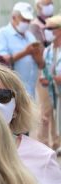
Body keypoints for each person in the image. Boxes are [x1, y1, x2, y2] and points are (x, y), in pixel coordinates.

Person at [0, 2, 45, 99]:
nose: (27, 23)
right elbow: (0, 61)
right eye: (24, 20)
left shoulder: (30, 36)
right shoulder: (2, 34)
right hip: (11, 91)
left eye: (28, 21)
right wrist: (25, 52)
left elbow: (41, 65)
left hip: (31, 91)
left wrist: (37, 55)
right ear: (13, 17)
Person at [33, 0, 58, 147]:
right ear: (38, 6)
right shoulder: (34, 26)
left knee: (56, 109)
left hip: (56, 71)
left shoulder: (55, 20)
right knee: (46, 110)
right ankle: (42, 142)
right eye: (46, 3)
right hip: (42, 71)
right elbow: (38, 49)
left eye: (51, 3)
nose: (49, 6)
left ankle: (56, 141)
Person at [43, 15, 61, 153]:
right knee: (57, 118)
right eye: (45, 28)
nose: (46, 31)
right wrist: (46, 80)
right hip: (56, 92)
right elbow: (47, 72)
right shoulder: (48, 50)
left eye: (50, 28)